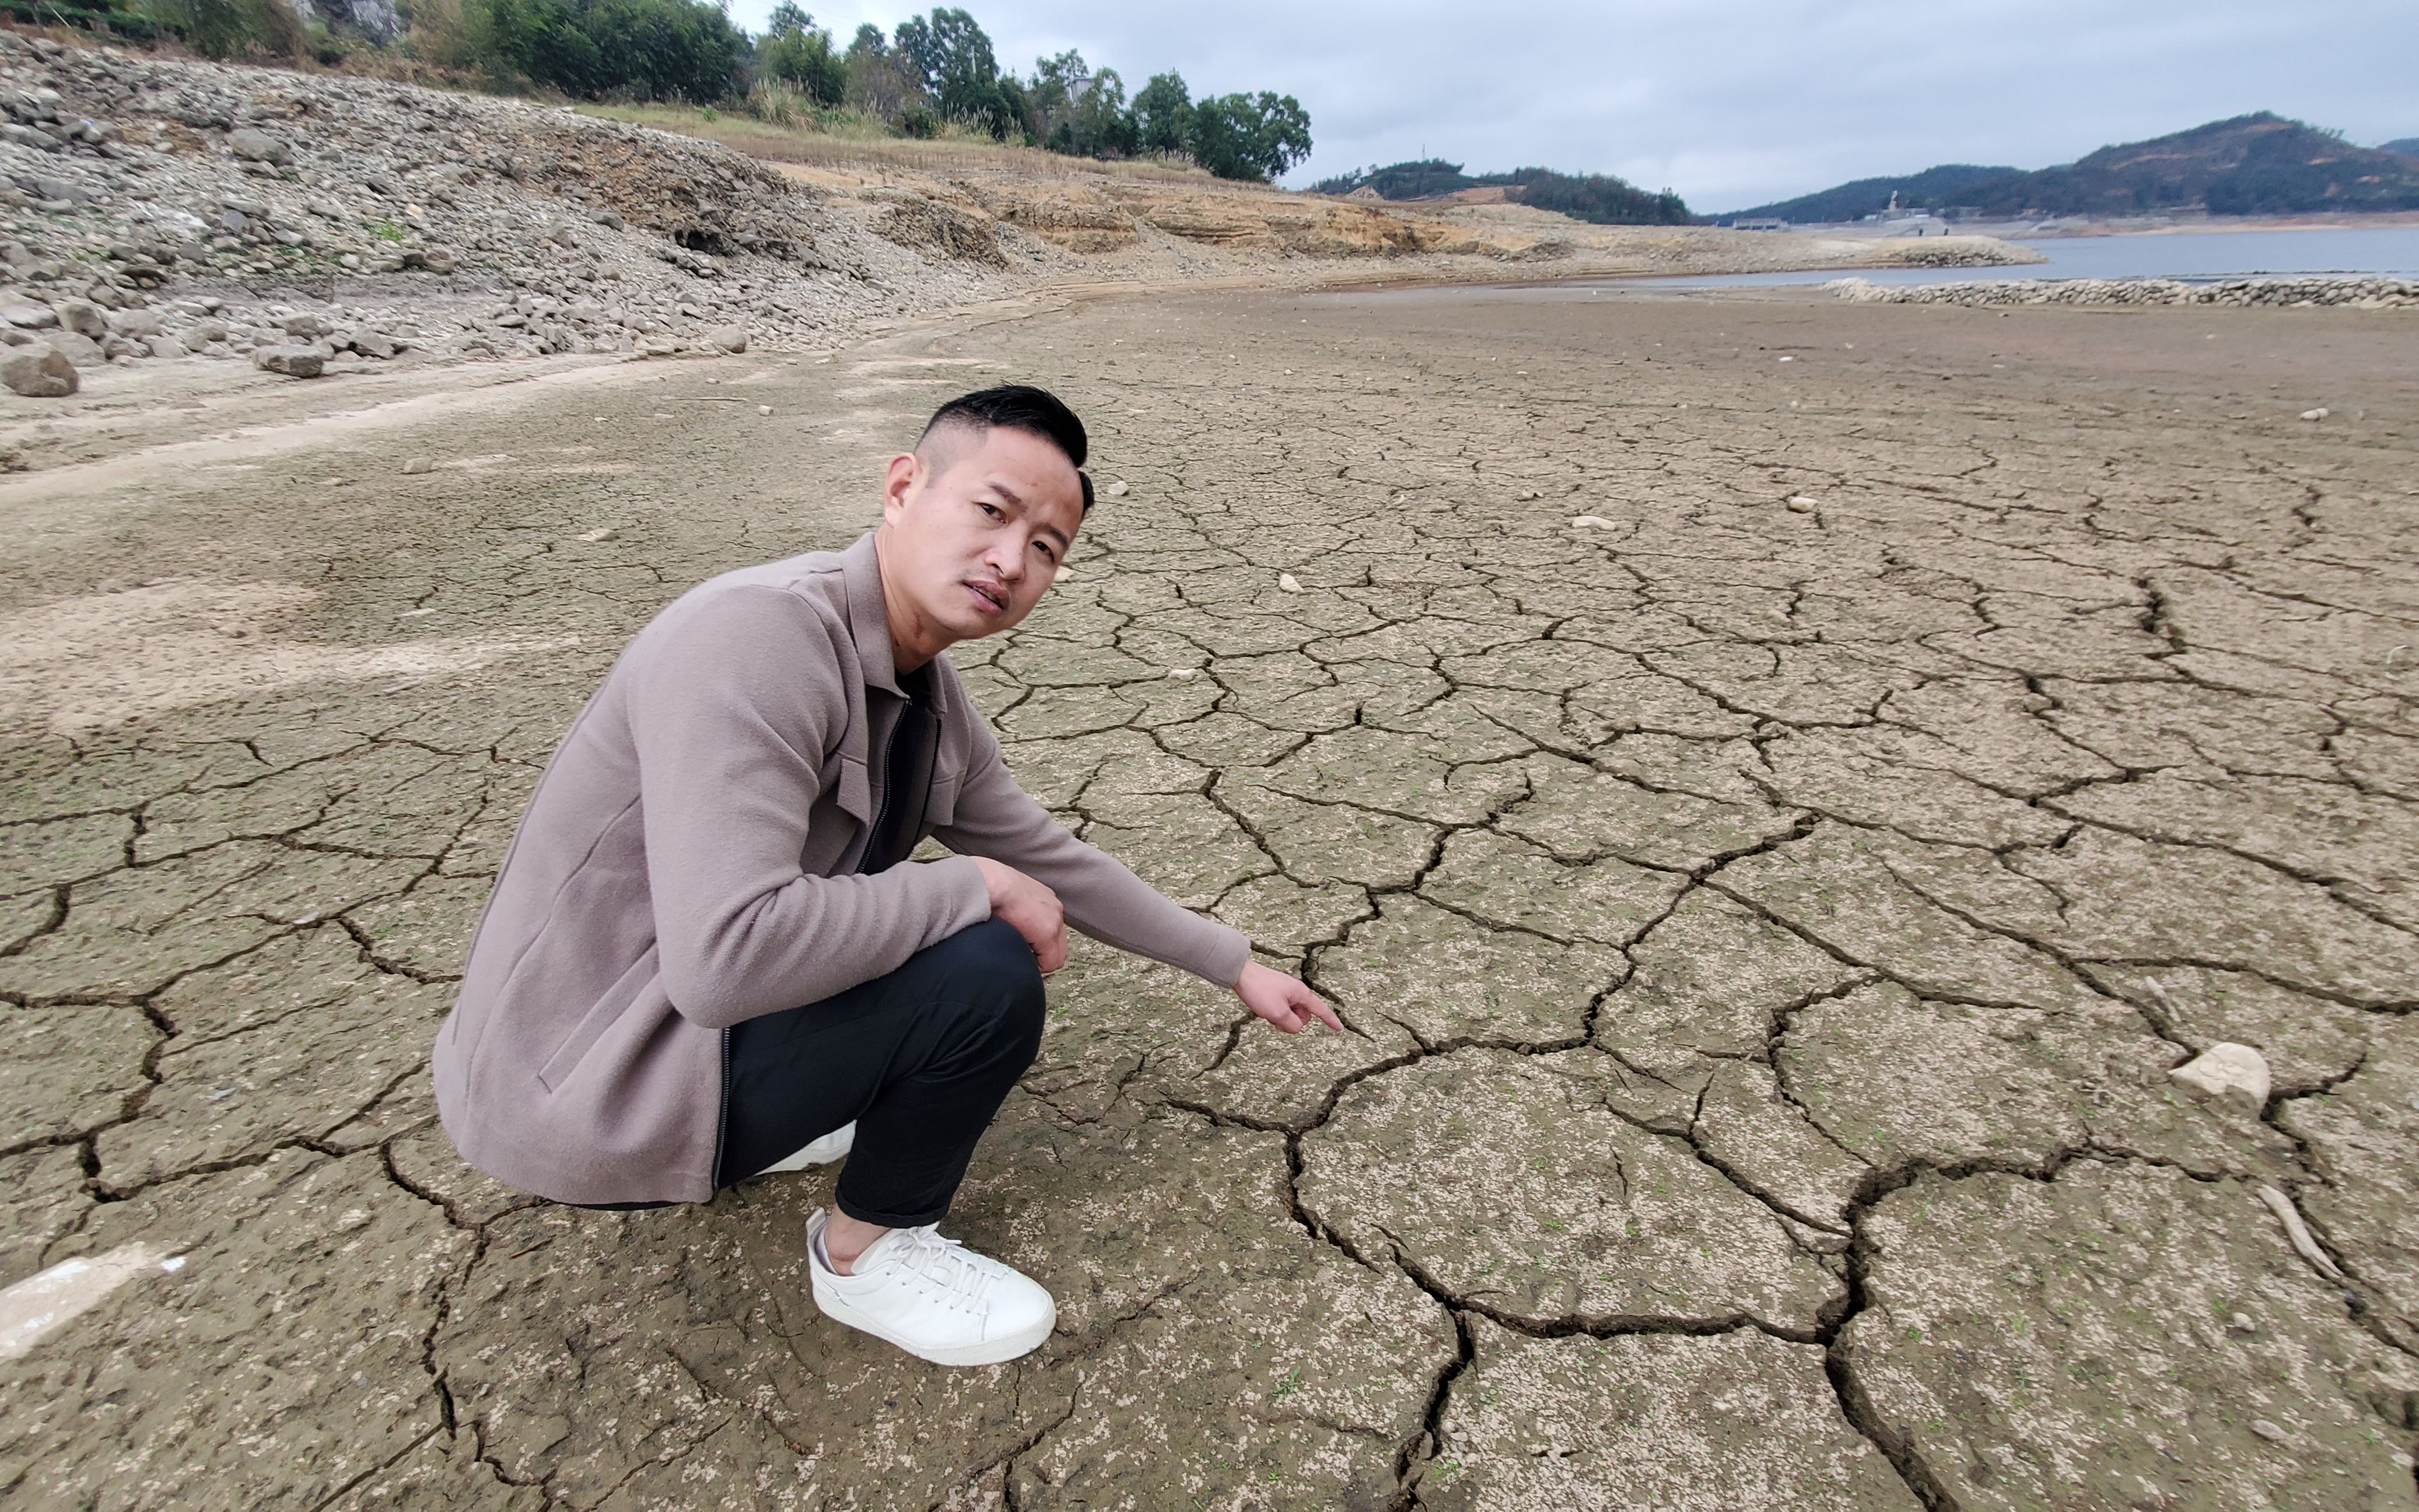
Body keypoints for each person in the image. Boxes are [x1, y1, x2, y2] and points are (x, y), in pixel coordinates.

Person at [430, 385, 1338, 1368]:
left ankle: (787, 1112)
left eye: (1047, 547)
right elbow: (724, 962)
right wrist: (973, 886)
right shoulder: (756, 639)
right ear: (904, 487)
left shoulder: (924, 694)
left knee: (952, 918)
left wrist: (1232, 965)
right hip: (588, 1088)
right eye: (992, 512)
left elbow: (1046, 853)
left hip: (645, 1040)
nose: (1010, 561)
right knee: (985, 963)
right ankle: (863, 1255)